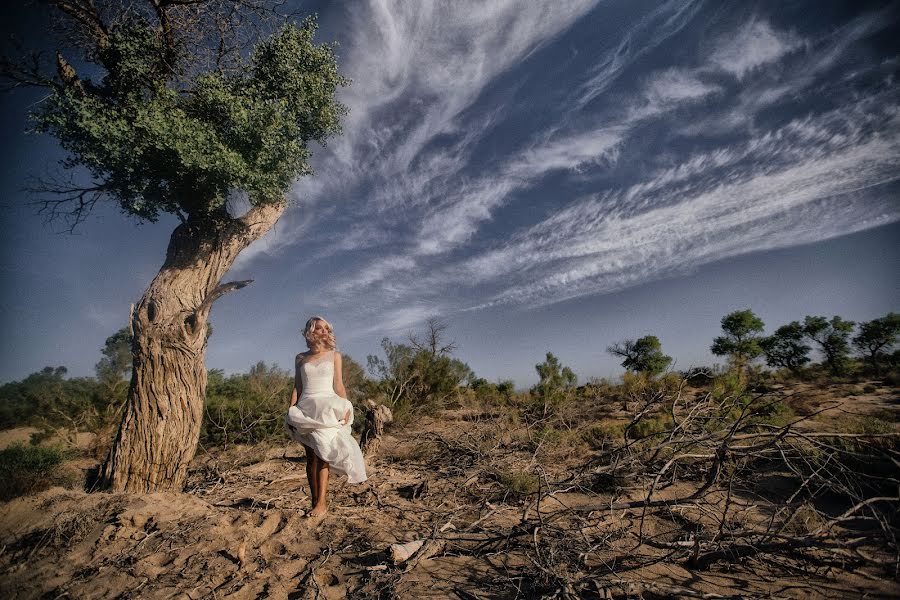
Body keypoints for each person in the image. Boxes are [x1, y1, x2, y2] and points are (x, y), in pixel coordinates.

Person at [284, 316, 367, 517]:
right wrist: (291, 411)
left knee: (323, 454)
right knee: (311, 458)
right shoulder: (300, 358)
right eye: (319, 328)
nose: (324, 332)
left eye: (326, 329)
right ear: (310, 331)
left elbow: (338, 384)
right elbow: (298, 386)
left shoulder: (334, 356)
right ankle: (315, 501)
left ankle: (322, 504)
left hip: (328, 407)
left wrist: (346, 406)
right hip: (306, 408)